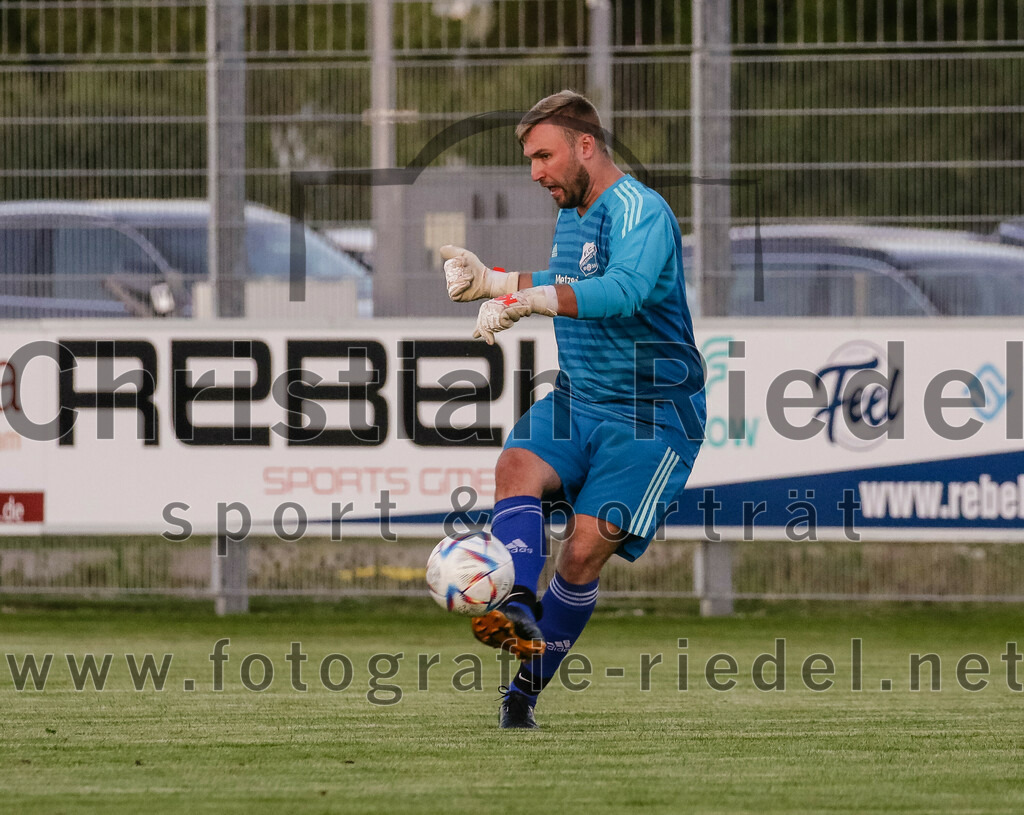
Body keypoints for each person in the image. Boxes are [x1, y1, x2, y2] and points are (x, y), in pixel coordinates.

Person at [440, 90, 706, 729]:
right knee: (516, 469)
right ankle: (518, 604)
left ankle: (523, 694)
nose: (536, 173)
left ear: (585, 146)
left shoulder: (642, 210)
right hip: (580, 398)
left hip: (651, 417)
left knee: (583, 553)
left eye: (543, 157)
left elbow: (623, 290)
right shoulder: (574, 210)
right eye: (529, 160)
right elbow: (572, 275)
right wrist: (498, 283)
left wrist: (529, 299)